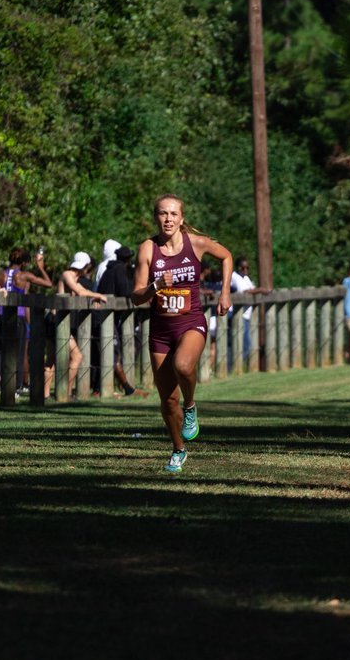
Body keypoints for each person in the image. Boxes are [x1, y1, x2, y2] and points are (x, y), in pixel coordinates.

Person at [132, 195, 232, 473]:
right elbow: (136, 296)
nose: (168, 219)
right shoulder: (147, 249)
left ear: (182, 218)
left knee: (183, 365)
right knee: (166, 399)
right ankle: (178, 450)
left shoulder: (196, 244)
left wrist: (225, 292)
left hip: (191, 323)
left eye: (173, 214)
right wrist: (154, 286)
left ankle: (191, 406)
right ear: (156, 217)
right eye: (163, 214)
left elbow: (226, 256)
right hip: (160, 331)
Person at [0, 247, 52, 395]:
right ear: (24, 263)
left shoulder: (0, 275)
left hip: (1, 315)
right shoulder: (24, 276)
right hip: (18, 317)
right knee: (18, 353)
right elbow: (48, 283)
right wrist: (40, 268)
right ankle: (16, 386)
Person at [97, 245, 147, 397]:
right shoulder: (119, 270)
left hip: (106, 317)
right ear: (128, 259)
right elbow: (124, 291)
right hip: (105, 317)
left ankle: (113, 386)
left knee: (111, 352)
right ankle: (127, 388)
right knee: (114, 354)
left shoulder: (109, 269)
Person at [59, 252, 108, 398]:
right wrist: (98, 296)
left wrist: (92, 297)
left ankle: (50, 394)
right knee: (77, 356)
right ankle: (65, 394)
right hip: (58, 322)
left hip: (63, 322)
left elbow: (84, 290)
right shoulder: (67, 274)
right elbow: (80, 292)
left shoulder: (75, 278)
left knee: (53, 360)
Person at [229, 257, 267, 368]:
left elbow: (251, 288)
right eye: (243, 267)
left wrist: (258, 290)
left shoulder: (245, 278)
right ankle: (231, 368)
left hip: (245, 315)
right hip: (237, 315)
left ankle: (234, 367)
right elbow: (245, 292)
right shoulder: (234, 277)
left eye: (247, 268)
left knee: (242, 345)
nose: (245, 270)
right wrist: (261, 290)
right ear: (238, 267)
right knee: (244, 345)